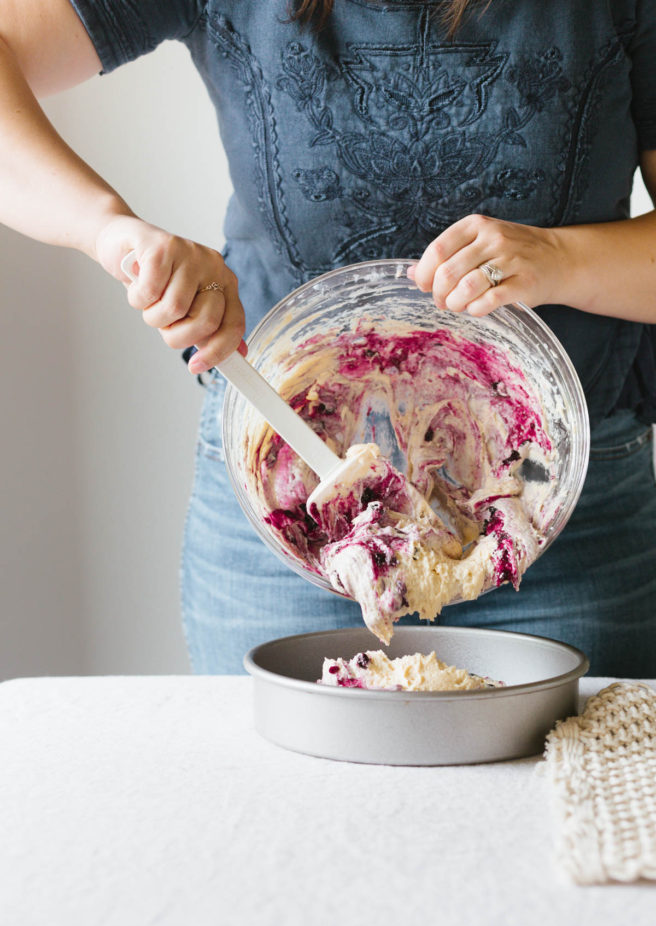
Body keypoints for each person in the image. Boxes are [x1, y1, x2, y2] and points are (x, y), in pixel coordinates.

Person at [1, 0, 655, 676]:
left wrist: (561, 258)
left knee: (577, 781)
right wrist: (114, 233)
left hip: (566, 521)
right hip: (287, 513)